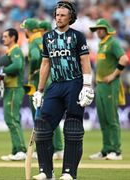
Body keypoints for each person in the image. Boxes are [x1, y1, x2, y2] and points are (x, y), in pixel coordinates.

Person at [32, 1, 94, 180]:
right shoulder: (48, 37)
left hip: (74, 83)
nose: (58, 18)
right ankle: (46, 171)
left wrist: (87, 85)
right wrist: (40, 91)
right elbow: (45, 64)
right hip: (56, 85)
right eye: (57, 15)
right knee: (42, 127)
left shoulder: (78, 36)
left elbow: (85, 62)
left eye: (62, 15)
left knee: (73, 128)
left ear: (70, 18)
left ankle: (69, 172)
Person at [20, 18, 64, 160]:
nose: (24, 31)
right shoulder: (43, 41)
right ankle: (58, 148)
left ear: (29, 30)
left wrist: (32, 70)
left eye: (24, 29)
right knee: (51, 116)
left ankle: (44, 148)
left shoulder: (34, 41)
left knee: (39, 116)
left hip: (38, 83)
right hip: (50, 81)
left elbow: (34, 58)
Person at [89, 18, 129, 161]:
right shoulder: (101, 44)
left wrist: (113, 75)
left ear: (107, 30)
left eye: (101, 29)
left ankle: (116, 150)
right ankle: (106, 150)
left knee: (112, 119)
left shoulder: (112, 43)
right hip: (100, 85)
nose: (98, 31)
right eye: (97, 29)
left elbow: (124, 59)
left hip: (110, 85)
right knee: (103, 119)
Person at [0, 28, 27, 161]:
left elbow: (17, 65)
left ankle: (21, 150)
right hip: (10, 88)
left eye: (5, 36)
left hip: (15, 88)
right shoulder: (9, 51)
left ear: (12, 38)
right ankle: (16, 149)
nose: (3, 38)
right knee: (11, 119)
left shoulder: (16, 50)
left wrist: (2, 71)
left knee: (12, 119)